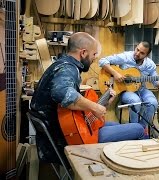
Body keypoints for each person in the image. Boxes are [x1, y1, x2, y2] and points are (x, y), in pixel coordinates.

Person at [29, 32, 144, 164]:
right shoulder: (68, 68)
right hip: (66, 139)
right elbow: (63, 93)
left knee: (115, 125)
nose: (95, 58)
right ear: (83, 53)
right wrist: (95, 107)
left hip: (62, 130)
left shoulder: (62, 64)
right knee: (139, 129)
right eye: (94, 54)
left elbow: (69, 106)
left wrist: (102, 104)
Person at [99, 41, 159, 134]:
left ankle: (142, 129)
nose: (137, 53)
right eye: (137, 50)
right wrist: (115, 74)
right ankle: (134, 129)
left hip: (142, 89)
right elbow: (102, 61)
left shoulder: (150, 65)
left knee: (153, 103)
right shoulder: (126, 57)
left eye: (142, 53)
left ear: (147, 55)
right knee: (136, 101)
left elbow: (156, 83)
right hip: (126, 90)